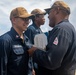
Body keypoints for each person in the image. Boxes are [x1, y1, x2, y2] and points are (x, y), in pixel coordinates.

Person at [28, 1, 76, 75]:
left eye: (49, 12)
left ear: (57, 11)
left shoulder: (61, 29)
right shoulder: (69, 28)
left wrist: (34, 52)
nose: (48, 16)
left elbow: (52, 61)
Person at [0, 7, 36, 75]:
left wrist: (32, 69)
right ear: (14, 20)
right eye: (24, 19)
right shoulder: (4, 41)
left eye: (28, 19)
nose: (27, 22)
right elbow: (2, 69)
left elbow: (29, 59)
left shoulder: (27, 39)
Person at [25, 9, 46, 75]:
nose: (44, 18)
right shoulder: (30, 29)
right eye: (42, 16)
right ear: (36, 18)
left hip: (40, 64)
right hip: (34, 65)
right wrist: (31, 68)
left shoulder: (39, 30)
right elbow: (28, 49)